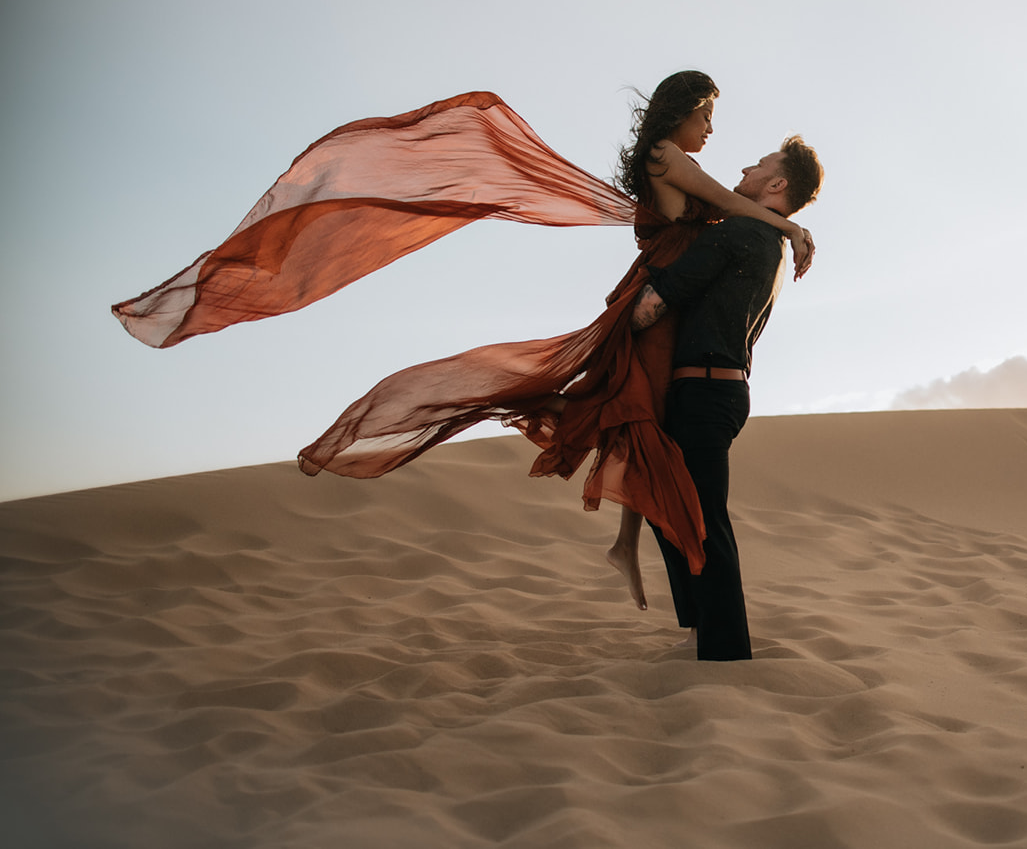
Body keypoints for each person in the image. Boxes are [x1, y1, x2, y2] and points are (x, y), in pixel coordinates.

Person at [110, 76, 815, 612]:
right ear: (680, 111)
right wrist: (788, 228)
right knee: (633, 415)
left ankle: (629, 546)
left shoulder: (682, 170)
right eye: (707, 115)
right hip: (657, 306)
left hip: (664, 305)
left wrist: (774, 228)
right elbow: (729, 206)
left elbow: (728, 213)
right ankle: (635, 553)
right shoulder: (670, 156)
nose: (713, 130)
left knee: (637, 417)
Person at [629, 136, 824, 661]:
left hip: (704, 388)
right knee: (671, 505)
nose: (746, 167)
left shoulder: (741, 231)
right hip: (722, 389)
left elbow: (657, 301)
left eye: (760, 165)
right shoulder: (776, 246)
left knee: (701, 518)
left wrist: (623, 318)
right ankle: (700, 630)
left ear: (777, 184)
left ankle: (724, 651)